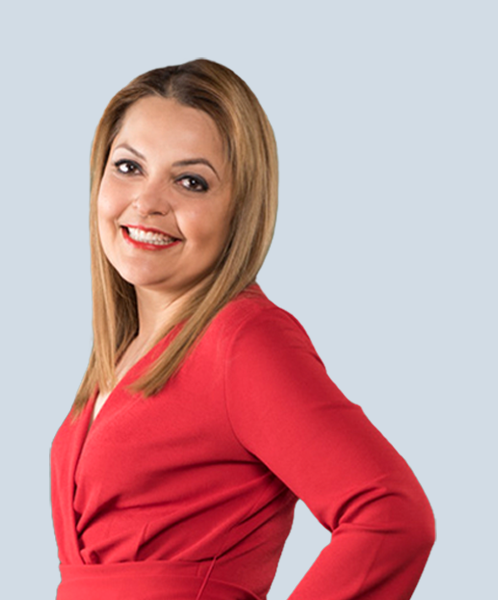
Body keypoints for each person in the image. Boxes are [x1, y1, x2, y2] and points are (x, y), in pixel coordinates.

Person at [50, 58, 435, 600]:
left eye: (191, 181)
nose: (148, 202)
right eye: (129, 167)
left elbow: (393, 515)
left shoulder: (244, 342)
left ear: (240, 209)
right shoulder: (128, 350)